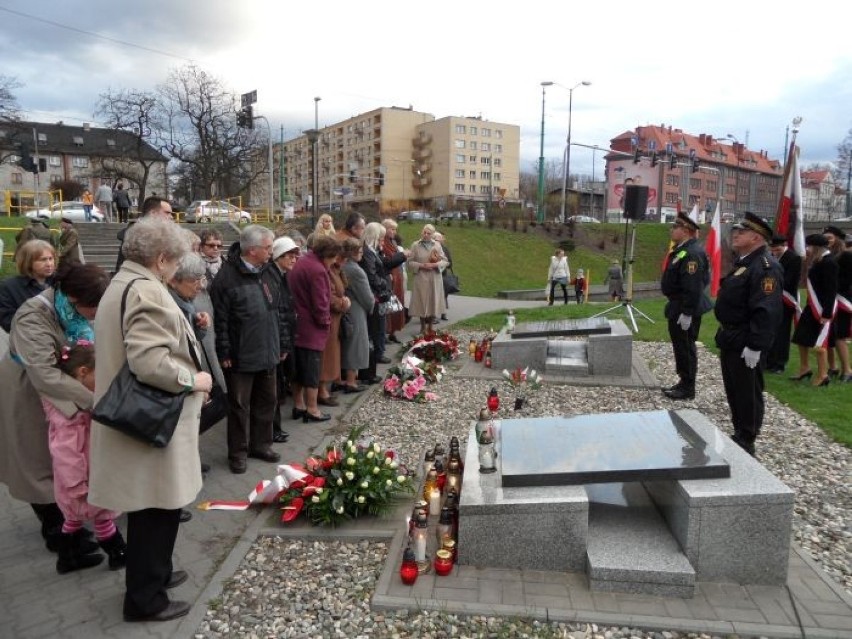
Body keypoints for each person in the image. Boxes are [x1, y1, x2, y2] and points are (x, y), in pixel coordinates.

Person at [87, 217, 212, 623]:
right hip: (154, 417)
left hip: (146, 417)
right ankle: (145, 599)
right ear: (160, 259)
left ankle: (154, 575)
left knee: (155, 509)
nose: (179, 268)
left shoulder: (126, 283)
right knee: (155, 509)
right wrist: (194, 379)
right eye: (176, 260)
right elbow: (150, 362)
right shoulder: (145, 291)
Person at [0, 262, 109, 563]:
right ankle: (60, 539)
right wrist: (93, 399)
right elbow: (45, 374)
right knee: (38, 463)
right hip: (28, 391)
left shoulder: (72, 313)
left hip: (63, 390)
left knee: (66, 461)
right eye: (93, 307)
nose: (97, 314)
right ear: (74, 298)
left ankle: (71, 528)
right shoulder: (32, 316)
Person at [44, 340, 127, 573]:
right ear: (82, 373)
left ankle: (67, 558)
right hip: (82, 481)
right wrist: (78, 485)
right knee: (102, 516)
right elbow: (66, 456)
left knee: (74, 519)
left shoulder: (74, 406)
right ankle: (118, 553)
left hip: (83, 480)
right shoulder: (69, 416)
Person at [210, 225, 286, 474]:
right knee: (239, 406)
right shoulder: (226, 278)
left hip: (268, 350)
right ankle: (238, 453)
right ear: (252, 250)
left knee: (268, 401)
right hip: (241, 355)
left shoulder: (269, 272)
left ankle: (261, 445)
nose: (271, 252)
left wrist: (282, 343)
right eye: (268, 248)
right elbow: (221, 321)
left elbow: (279, 310)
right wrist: (225, 353)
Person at [713, 212, 783, 456]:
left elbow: (766, 310)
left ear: (756, 237)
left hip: (746, 340)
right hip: (732, 338)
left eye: (741, 232)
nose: (736, 234)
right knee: (735, 389)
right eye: (736, 231)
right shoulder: (746, 263)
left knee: (747, 392)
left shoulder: (765, 267)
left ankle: (747, 438)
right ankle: (740, 432)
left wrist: (756, 345)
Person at [288, 235, 341, 423]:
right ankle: (312, 409)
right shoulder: (318, 270)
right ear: (327, 254)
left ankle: (298, 405)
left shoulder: (302, 262)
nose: (335, 261)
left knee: (297, 370)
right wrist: (325, 322)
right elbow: (321, 303)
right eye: (334, 257)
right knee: (311, 370)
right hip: (311, 327)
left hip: (296, 325)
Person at [661, 212, 713, 400]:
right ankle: (683, 381)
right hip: (678, 305)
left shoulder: (691, 253)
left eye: (675, 227)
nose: (671, 230)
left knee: (685, 347)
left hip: (684, 307)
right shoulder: (683, 249)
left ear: (685, 230)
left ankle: (688, 387)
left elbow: (693, 285)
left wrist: (687, 312)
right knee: (680, 346)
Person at [791, 234, 839, 387]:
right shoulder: (819, 261)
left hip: (822, 309)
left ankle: (823, 375)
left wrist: (826, 313)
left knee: (820, 344)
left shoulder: (829, 262)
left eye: (810, 246)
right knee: (801, 337)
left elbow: (831, 290)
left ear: (816, 247)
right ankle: (805, 368)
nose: (808, 249)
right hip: (812, 306)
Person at [270, 236, 300, 442]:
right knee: (274, 388)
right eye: (289, 256)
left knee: (279, 385)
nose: (293, 259)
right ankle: (273, 429)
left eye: (295, 256)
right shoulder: (273, 277)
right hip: (278, 338)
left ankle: (275, 428)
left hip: (285, 334)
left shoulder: (282, 276)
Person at [318, 238, 350, 406]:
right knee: (326, 356)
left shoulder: (333, 269)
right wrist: (342, 303)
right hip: (329, 318)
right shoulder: (324, 271)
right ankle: (321, 391)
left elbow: (341, 286)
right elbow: (328, 296)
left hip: (335, 319)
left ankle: (325, 388)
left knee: (331, 354)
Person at [0, 239, 56, 333]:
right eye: (43, 260)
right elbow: (7, 321)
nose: (49, 264)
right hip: (28, 340)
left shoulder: (61, 282)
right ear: (28, 262)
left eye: (51, 258)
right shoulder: (9, 287)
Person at [766, 234, 803, 373]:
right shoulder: (770, 257)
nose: (774, 251)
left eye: (777, 248)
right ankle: (769, 360)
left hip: (786, 299)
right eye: (772, 248)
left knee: (782, 333)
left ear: (784, 245)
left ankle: (780, 363)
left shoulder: (793, 258)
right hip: (772, 298)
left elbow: (791, 280)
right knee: (771, 331)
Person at [340, 237, 374, 393]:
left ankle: (342, 379)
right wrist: (371, 307)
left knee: (346, 345)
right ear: (353, 253)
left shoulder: (341, 266)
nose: (362, 254)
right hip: (356, 309)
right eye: (360, 251)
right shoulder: (356, 270)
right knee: (356, 344)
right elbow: (367, 297)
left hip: (344, 308)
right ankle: (351, 381)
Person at [359, 222, 393, 377]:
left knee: (380, 323)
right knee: (377, 324)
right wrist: (384, 283)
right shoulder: (368, 252)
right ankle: (377, 353)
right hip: (375, 294)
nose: (382, 242)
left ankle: (379, 351)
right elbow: (371, 275)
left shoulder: (372, 251)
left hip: (378, 292)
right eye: (380, 238)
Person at [115, 196, 174, 273]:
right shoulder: (135, 239)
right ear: (153, 213)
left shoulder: (159, 236)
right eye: (167, 213)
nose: (171, 217)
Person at [407, 224, 448, 335]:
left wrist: (435, 265)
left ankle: (430, 326)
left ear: (432, 235)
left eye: (428, 233)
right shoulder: (415, 245)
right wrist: (421, 265)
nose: (425, 235)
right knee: (421, 301)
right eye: (424, 232)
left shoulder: (437, 245)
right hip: (421, 277)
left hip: (434, 277)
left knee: (433, 301)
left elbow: (445, 261)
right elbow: (409, 262)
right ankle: (422, 326)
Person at [823, 225, 851, 380]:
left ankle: (847, 370)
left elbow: (847, 280)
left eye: (830, 238)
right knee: (828, 335)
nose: (827, 241)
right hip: (828, 300)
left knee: (840, 336)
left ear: (837, 239)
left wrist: (832, 286)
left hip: (841, 300)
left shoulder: (845, 256)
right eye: (825, 238)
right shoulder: (826, 255)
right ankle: (832, 367)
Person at [380, 218, 409, 343]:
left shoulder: (393, 241)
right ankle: (387, 331)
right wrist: (403, 255)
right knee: (390, 306)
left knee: (397, 305)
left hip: (398, 275)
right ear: (385, 229)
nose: (394, 231)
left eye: (395, 229)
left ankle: (392, 332)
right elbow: (389, 261)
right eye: (392, 229)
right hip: (390, 276)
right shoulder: (383, 242)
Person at [433, 231, 452, 321]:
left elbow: (450, 263)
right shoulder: (430, 248)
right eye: (436, 239)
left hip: (442, 275)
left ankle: (443, 313)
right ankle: (433, 315)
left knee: (443, 295)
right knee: (433, 295)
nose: (438, 241)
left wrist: (443, 264)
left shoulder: (445, 249)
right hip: (433, 274)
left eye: (439, 239)